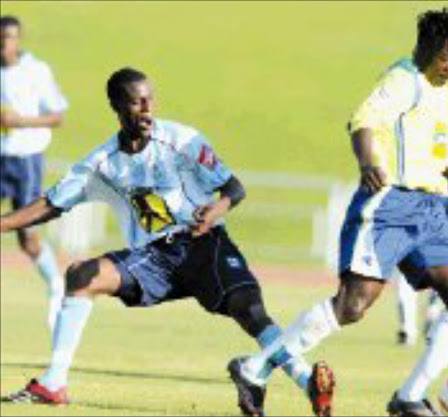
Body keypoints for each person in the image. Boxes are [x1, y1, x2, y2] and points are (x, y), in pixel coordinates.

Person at [0, 67, 328, 416]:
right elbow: (50, 205)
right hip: (154, 258)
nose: (146, 108)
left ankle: (309, 384)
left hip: (205, 245)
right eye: (136, 101)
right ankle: (53, 384)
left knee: (250, 309)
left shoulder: (182, 140)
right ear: (115, 105)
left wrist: (216, 210)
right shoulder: (101, 164)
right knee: (81, 276)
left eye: (149, 99)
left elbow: (234, 188)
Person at [228, 7, 448, 417]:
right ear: (426, 47)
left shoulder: (436, 87)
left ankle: (408, 398)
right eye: (446, 57)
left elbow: (431, 144)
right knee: (352, 305)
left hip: (432, 209)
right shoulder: (402, 79)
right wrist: (368, 162)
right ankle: (254, 368)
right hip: (390, 204)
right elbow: (363, 121)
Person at [395, 81, 448, 346]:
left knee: (412, 259)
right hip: (433, 194)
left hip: (437, 194)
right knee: (443, 261)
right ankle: (420, 321)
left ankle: (412, 325)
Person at [1, 15, 68, 332]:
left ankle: (56, 285)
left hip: (25, 158)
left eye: (9, 37)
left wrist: (20, 122)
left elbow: (57, 116)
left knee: (27, 238)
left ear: (18, 39)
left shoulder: (35, 71)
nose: (4, 43)